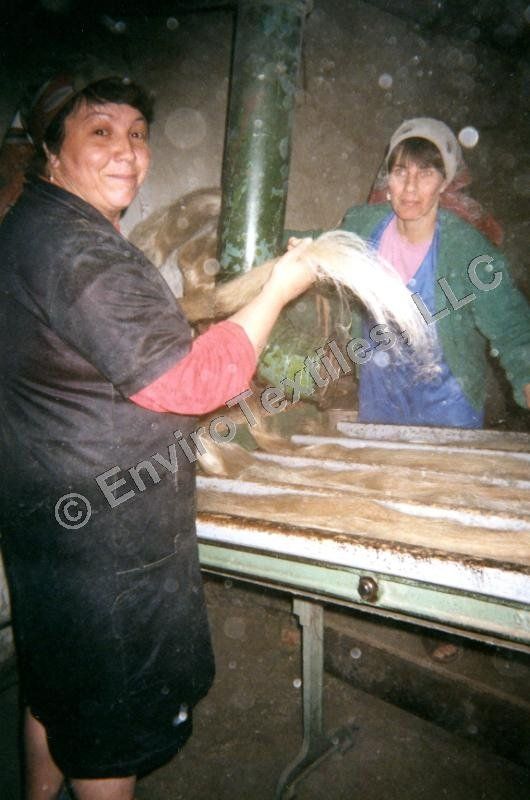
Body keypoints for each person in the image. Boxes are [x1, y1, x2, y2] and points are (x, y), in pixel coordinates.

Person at [0, 73, 316, 800]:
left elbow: (98, 355)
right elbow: (193, 386)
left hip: (46, 520)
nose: (128, 153)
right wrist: (279, 289)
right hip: (103, 543)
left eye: (137, 135)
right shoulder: (79, 253)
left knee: (54, 686)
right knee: (108, 728)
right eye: (100, 132)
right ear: (53, 149)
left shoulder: (28, 227)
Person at [339, 117, 530, 428]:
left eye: (425, 173)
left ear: (444, 182)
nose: (410, 187)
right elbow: (318, 245)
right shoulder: (362, 226)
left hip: (448, 408)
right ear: (388, 179)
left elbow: (513, 329)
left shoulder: (468, 251)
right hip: (380, 403)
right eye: (401, 172)